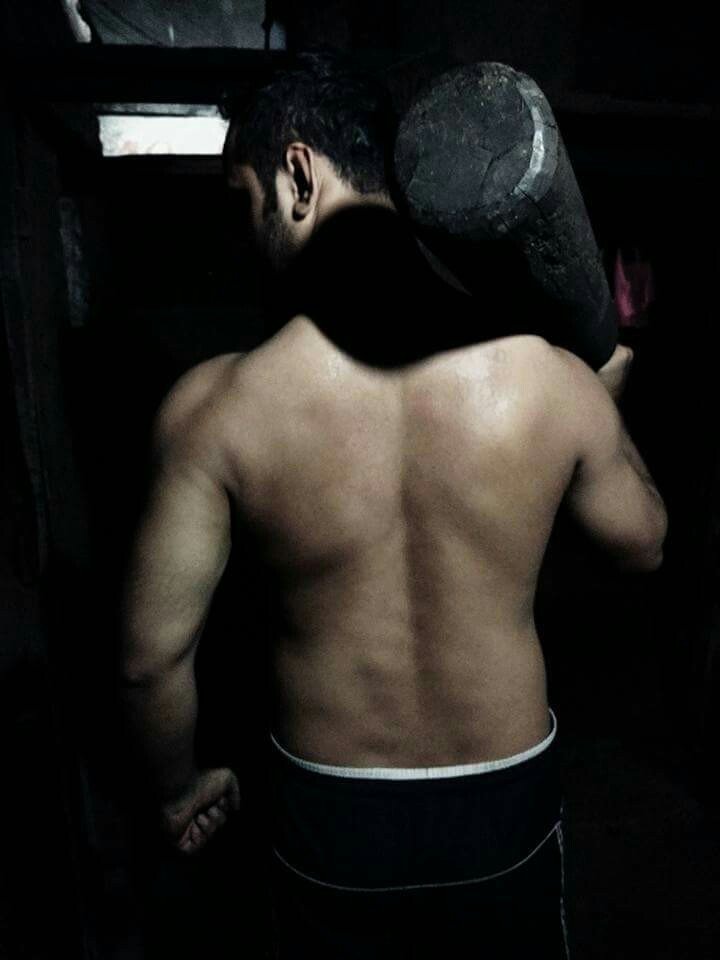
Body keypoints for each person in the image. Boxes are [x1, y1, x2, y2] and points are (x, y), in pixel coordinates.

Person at [119, 53, 667, 959]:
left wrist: (178, 789)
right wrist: (605, 393)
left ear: (298, 176)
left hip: (334, 814)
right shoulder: (547, 380)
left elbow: (149, 661)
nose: (242, 232)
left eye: (243, 199)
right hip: (502, 802)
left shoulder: (216, 410)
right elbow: (643, 544)